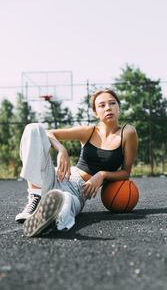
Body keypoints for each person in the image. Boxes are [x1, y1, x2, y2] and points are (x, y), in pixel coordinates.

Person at [16, 89, 138, 237]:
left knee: (65, 200)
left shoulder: (128, 132)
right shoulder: (89, 131)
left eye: (112, 103)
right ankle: (35, 198)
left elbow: (126, 173)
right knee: (33, 128)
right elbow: (47, 133)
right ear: (95, 112)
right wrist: (61, 149)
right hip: (57, 176)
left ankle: (50, 222)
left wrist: (102, 175)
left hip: (77, 191)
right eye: (102, 105)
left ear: (118, 107)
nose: (108, 108)